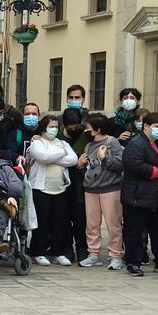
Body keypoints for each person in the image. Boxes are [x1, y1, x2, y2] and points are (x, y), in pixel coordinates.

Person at [121, 112, 158, 276]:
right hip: (138, 196)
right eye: (156, 127)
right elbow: (134, 165)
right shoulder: (136, 143)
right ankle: (133, 262)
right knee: (135, 231)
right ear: (146, 126)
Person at [25, 114, 77, 266]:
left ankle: (57, 252)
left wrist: (54, 156)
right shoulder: (36, 143)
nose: (54, 129)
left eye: (56, 126)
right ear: (43, 128)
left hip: (60, 189)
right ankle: (38, 252)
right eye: (51, 127)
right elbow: (42, 157)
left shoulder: (62, 143)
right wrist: (61, 154)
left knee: (59, 222)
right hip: (41, 189)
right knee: (42, 222)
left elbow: (73, 159)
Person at [81, 113, 124, 270]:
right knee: (92, 224)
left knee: (113, 224)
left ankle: (116, 255)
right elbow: (88, 167)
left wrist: (104, 158)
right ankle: (93, 254)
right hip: (91, 188)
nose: (87, 131)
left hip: (110, 188)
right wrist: (80, 164)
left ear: (97, 129)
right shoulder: (88, 145)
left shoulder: (112, 142)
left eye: (89, 128)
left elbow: (120, 164)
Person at [59, 107, 91, 263]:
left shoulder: (86, 137)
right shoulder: (57, 138)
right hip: (62, 187)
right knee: (63, 220)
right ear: (65, 126)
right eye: (71, 128)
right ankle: (67, 249)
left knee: (80, 220)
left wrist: (80, 166)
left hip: (80, 187)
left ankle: (82, 248)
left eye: (77, 127)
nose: (74, 130)